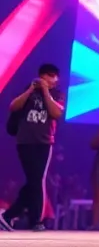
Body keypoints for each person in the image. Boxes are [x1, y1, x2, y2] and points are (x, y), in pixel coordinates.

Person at [0, 63, 64, 232]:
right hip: (25, 142)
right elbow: (13, 106)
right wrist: (30, 90)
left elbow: (56, 113)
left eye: (54, 76)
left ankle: (14, 216)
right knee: (35, 181)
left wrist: (45, 92)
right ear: (41, 76)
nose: (52, 79)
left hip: (44, 143)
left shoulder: (56, 94)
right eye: (49, 76)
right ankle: (32, 220)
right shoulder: (27, 90)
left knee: (35, 181)